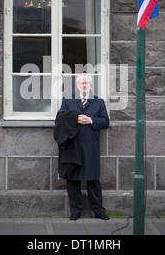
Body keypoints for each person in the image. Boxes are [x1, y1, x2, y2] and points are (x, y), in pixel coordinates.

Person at [56, 73, 110, 221]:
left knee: (93, 179)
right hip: (73, 146)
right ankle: (75, 211)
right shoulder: (68, 100)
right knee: (73, 179)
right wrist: (75, 118)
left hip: (91, 146)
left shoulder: (98, 102)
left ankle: (98, 210)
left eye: (87, 83)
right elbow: (59, 118)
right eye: (82, 83)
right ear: (77, 85)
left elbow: (105, 122)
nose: (84, 85)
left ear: (91, 85)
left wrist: (91, 120)